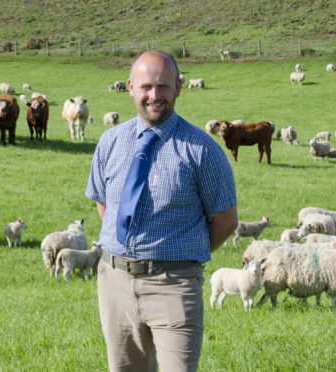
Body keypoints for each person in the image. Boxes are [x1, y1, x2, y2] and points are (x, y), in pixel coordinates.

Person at [85, 50, 238, 372]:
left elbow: (226, 220)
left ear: (179, 87)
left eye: (163, 87)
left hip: (174, 284)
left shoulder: (202, 150)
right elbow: (105, 205)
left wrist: (177, 255)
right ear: (129, 87)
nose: (154, 96)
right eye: (146, 87)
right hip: (114, 282)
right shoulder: (110, 142)